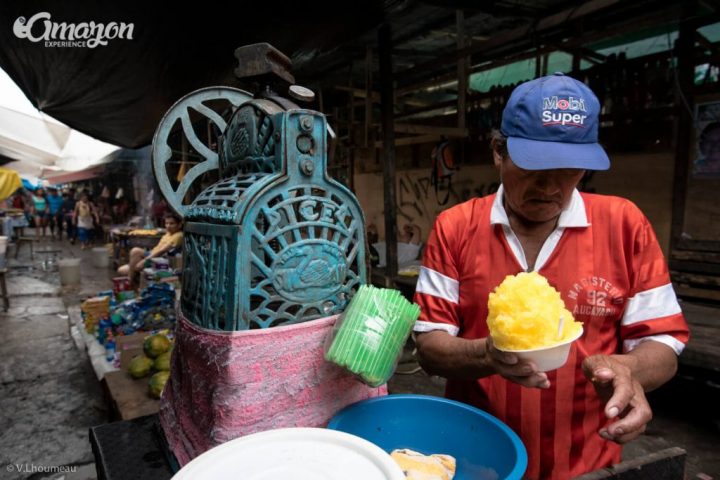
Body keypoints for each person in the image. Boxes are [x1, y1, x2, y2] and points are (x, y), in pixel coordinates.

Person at [412, 73, 689, 479]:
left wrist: (628, 370)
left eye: (570, 170)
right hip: (476, 457)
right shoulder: (455, 227)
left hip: (586, 461)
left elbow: (663, 343)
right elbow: (430, 346)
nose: (551, 187)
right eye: (534, 167)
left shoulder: (624, 224)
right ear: (497, 152)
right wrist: (488, 355)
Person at [117, 212, 183, 288]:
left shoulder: (178, 235)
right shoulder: (168, 233)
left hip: (157, 259)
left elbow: (162, 251)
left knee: (135, 251)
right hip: (151, 254)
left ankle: (129, 283)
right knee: (121, 270)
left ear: (179, 225)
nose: (168, 226)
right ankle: (132, 280)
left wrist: (145, 261)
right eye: (166, 223)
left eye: (172, 223)